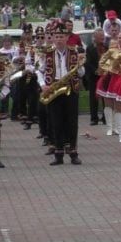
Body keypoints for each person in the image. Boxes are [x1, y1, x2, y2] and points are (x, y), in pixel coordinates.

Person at [37, 23, 85, 165]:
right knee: (55, 121)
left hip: (71, 89)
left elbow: (82, 73)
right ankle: (58, 153)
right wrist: (43, 85)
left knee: (72, 121)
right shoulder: (47, 53)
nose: (58, 39)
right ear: (53, 38)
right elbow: (39, 71)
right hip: (54, 88)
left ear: (67, 37)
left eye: (61, 36)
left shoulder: (74, 52)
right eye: (56, 36)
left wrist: (80, 65)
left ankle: (73, 153)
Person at [84, 29, 107, 126]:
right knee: (93, 98)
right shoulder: (90, 48)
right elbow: (88, 62)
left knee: (105, 98)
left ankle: (105, 117)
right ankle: (94, 118)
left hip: (105, 76)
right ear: (95, 37)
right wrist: (96, 71)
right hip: (93, 76)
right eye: (100, 36)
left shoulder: (106, 47)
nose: (102, 37)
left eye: (103, 35)